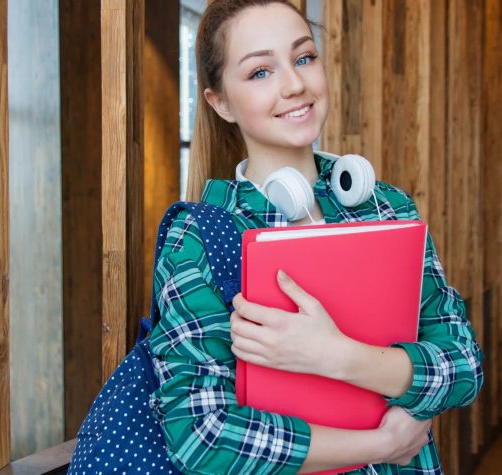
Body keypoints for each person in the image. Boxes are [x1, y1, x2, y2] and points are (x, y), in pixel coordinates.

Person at [148, 1, 484, 473]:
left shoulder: (387, 207)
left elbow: (464, 365)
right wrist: (381, 445)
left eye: (304, 57)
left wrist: (338, 356)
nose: (295, 84)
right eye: (261, 71)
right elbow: (201, 434)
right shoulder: (199, 236)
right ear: (220, 102)